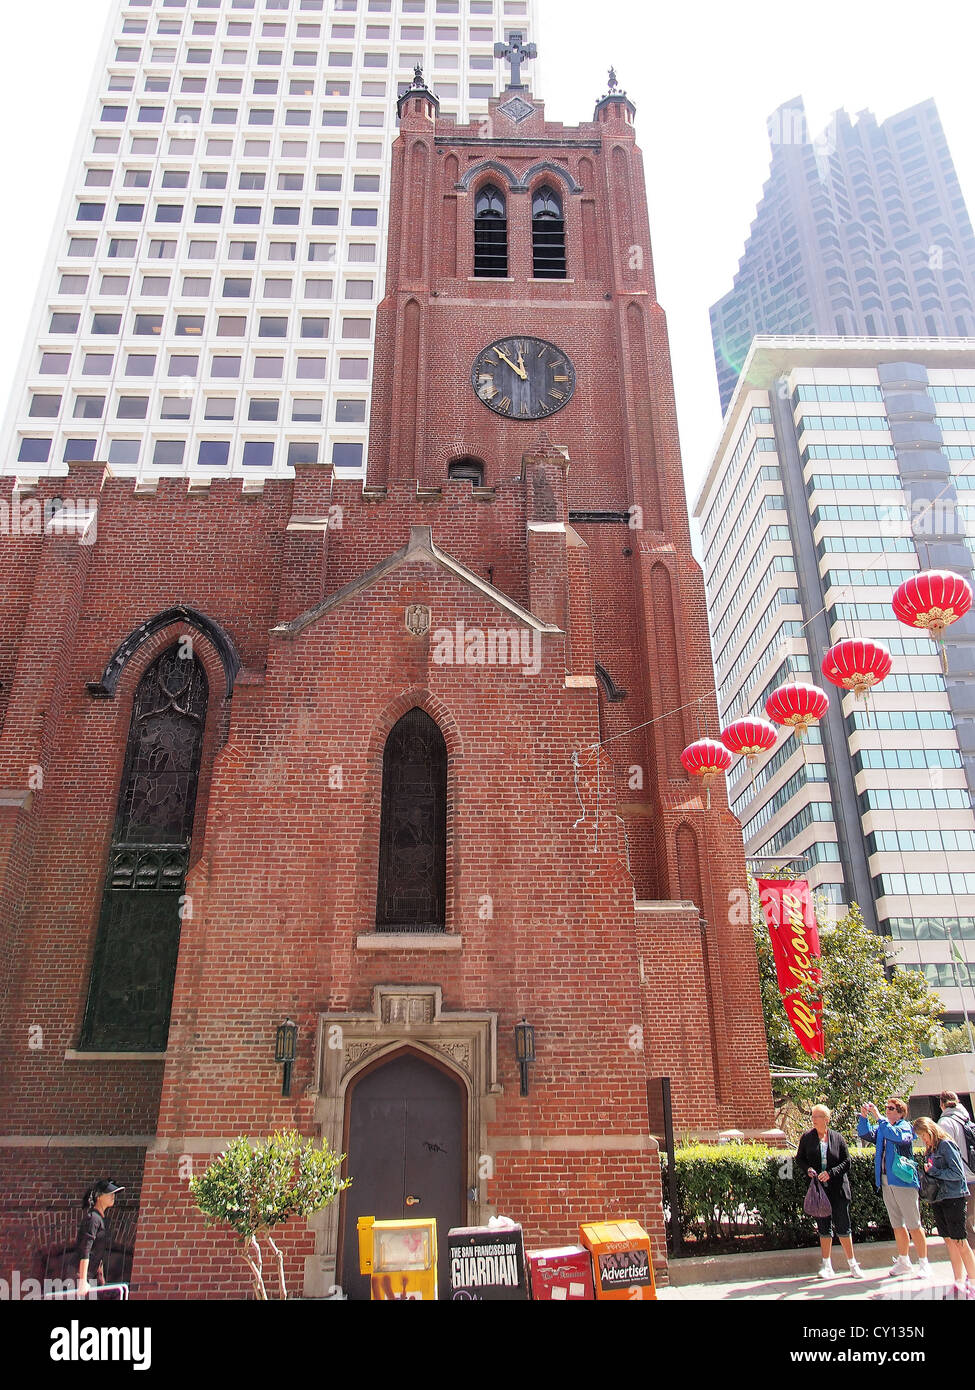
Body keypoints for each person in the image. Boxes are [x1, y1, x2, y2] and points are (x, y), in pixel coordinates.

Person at [857, 1098, 931, 1279]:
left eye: (891, 1108)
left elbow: (896, 1136)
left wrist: (879, 1117)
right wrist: (864, 1117)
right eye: (886, 1108)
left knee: (914, 1224)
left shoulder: (905, 1127)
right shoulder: (883, 1127)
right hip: (885, 1180)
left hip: (903, 1181)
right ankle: (904, 1261)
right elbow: (865, 1133)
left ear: (900, 1112)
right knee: (897, 1224)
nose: (887, 1111)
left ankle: (924, 1263)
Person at [795, 1104, 866, 1279]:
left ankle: (852, 1264)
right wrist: (809, 1170)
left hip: (838, 1189)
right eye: (813, 1116)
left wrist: (831, 1173)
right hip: (819, 1191)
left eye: (817, 1116)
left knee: (843, 1226)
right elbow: (800, 1159)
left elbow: (846, 1162)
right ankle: (826, 1265)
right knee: (824, 1227)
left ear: (826, 1119)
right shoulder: (807, 1138)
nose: (814, 1119)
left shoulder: (837, 1138)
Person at [914, 1117, 975, 1295]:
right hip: (939, 1198)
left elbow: (957, 1173)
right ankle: (957, 1281)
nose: (923, 1140)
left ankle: (972, 1282)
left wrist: (933, 1171)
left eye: (923, 1135)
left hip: (953, 1197)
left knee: (959, 1240)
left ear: (930, 1130)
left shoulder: (946, 1145)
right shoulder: (931, 1148)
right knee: (949, 1240)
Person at [937, 1090, 975, 1248]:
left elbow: (946, 1154)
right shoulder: (967, 1118)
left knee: (964, 1226)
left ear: (941, 1104)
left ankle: (972, 1266)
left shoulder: (944, 1123)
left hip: (961, 1181)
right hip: (973, 1176)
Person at [75, 1179, 124, 1298]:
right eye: (110, 1193)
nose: (113, 1196)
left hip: (94, 1277)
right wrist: (82, 1280)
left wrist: (101, 1279)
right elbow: (86, 1249)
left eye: (114, 1194)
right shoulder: (93, 1219)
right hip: (84, 1276)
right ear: (99, 1196)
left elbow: (99, 1252)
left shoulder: (102, 1219)